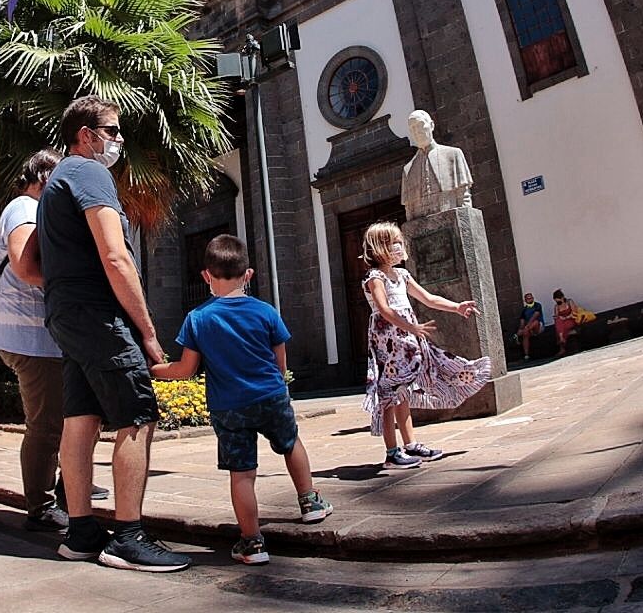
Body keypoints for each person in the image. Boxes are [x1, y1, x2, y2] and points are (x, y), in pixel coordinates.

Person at [38, 95, 189, 572]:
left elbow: (27, 265)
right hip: (98, 314)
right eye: (113, 130)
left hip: (68, 313)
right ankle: (127, 536)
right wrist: (147, 332)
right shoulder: (88, 173)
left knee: (80, 417)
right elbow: (117, 257)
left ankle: (81, 532)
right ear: (86, 134)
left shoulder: (55, 183)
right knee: (138, 413)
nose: (119, 140)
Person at [151, 235, 332, 565]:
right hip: (271, 396)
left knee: (242, 474)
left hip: (228, 406)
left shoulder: (198, 318)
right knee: (291, 444)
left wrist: (155, 370)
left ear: (206, 276)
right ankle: (310, 503)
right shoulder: (265, 311)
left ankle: (252, 543)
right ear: (248, 274)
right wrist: (280, 389)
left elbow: (186, 369)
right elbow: (281, 363)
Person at [361, 222, 491, 469]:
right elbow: (384, 309)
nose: (399, 247)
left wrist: (456, 306)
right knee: (390, 395)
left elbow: (428, 298)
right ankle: (391, 452)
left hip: (408, 339)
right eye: (393, 243)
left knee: (403, 394)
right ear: (380, 248)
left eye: (400, 242)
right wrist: (411, 327)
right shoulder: (374, 277)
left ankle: (410, 445)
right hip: (389, 340)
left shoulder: (402, 275)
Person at [0, 148, 72, 532]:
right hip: (31, 338)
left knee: (62, 418)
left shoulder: (28, 209)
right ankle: (40, 506)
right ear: (43, 176)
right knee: (46, 424)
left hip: (37, 336)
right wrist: (77, 284)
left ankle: (67, 486)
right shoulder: (24, 208)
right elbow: (24, 266)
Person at [551, 289, 593, 358]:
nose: (557, 302)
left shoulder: (569, 301)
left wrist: (567, 317)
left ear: (562, 297)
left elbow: (574, 312)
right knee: (558, 322)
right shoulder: (556, 306)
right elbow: (557, 315)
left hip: (571, 319)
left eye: (558, 300)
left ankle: (562, 346)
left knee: (561, 329)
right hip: (562, 321)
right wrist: (560, 317)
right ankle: (561, 339)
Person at [516, 292, 548, 360]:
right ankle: (526, 355)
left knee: (535, 322)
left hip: (538, 327)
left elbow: (535, 315)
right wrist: (521, 329)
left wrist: (527, 326)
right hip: (528, 329)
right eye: (528, 299)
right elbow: (522, 322)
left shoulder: (537, 305)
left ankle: (523, 332)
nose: (530, 299)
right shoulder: (524, 310)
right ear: (525, 300)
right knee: (525, 334)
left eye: (531, 298)